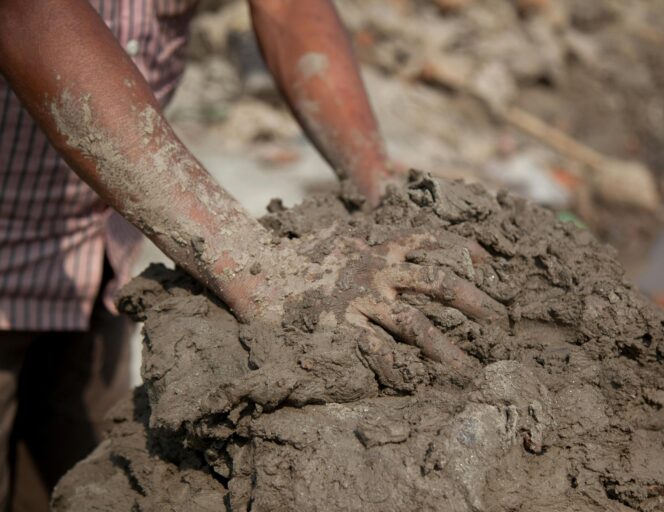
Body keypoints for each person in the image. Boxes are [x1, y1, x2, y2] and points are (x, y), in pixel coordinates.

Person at [0, 1, 507, 509]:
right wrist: (255, 265)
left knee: (80, 475)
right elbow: (28, 14)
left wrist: (378, 182)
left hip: (99, 252)